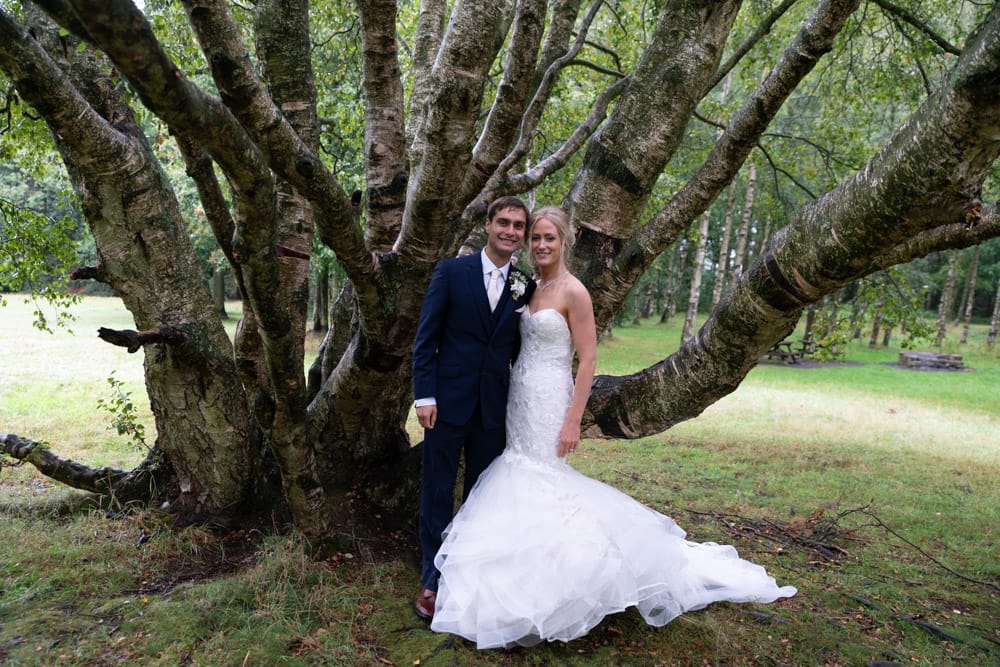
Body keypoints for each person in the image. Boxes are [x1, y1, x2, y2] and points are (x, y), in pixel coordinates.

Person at [429, 206, 797, 649]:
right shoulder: (527, 287)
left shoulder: (573, 291)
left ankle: (557, 585)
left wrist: (572, 420)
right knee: (514, 472)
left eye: (550, 238)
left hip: (551, 401)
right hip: (517, 398)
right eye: (537, 238)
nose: (542, 245)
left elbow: (588, 359)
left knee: (545, 479)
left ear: (564, 242)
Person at [411, 196, 536, 621]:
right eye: (503, 222)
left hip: (493, 409)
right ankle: (432, 577)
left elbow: (519, 348)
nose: (510, 231)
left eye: (518, 226)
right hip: (445, 404)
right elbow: (426, 339)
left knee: (482, 495)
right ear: (487, 225)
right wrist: (424, 396)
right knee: (438, 490)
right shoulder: (451, 271)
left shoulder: (524, 284)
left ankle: (471, 574)